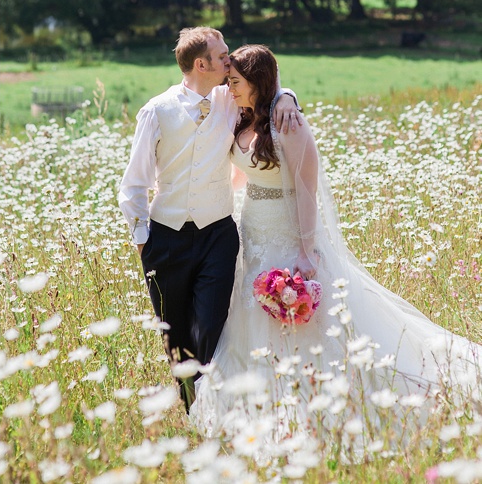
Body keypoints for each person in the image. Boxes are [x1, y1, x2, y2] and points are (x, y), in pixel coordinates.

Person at [190, 44, 482, 448]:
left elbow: (306, 187)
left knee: (305, 320)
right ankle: (261, 407)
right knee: (249, 315)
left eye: (236, 81)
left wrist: (306, 250)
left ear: (257, 82)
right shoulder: (239, 113)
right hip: (253, 229)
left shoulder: (285, 122)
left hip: (288, 231)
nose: (230, 87)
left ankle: (324, 402)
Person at [118, 27, 302, 411]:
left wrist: (288, 96)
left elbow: (266, 86)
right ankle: (191, 412)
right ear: (201, 64)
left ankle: (212, 409)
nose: (229, 60)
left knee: (211, 328)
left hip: (219, 234)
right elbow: (133, 184)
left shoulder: (230, 98)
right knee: (176, 335)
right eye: (222, 56)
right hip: (165, 240)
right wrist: (143, 243)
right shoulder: (157, 110)